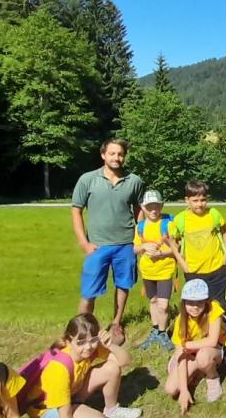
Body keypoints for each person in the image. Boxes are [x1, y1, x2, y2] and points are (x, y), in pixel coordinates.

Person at [70, 138, 143, 345]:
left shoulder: (134, 181)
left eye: (120, 154)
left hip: (126, 244)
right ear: (103, 155)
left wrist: (139, 237)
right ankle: (82, 330)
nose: (116, 158)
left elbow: (139, 211)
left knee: (123, 285)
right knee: (89, 290)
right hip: (97, 246)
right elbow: (76, 211)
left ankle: (116, 323)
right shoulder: (87, 179)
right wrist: (84, 243)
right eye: (112, 154)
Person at [22, 314, 141, 418]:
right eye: (81, 342)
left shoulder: (89, 348)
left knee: (112, 368)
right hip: (47, 409)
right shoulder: (59, 368)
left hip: (71, 394)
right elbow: (65, 415)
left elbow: (125, 361)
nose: (88, 346)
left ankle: (112, 410)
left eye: (93, 340)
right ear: (69, 341)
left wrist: (110, 345)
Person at [164, 279, 226, 414]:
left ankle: (212, 377)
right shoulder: (181, 320)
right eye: (190, 302)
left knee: (203, 356)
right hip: (190, 353)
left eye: (199, 302)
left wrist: (185, 345)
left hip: (213, 350)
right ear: (184, 302)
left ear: (206, 301)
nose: (195, 307)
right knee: (171, 389)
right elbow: (181, 355)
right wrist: (184, 390)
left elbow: (212, 341)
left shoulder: (213, 310)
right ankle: (197, 371)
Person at [134, 189, 183, 350]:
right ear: (143, 208)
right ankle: (155, 329)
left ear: (161, 206)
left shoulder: (167, 224)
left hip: (165, 271)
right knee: (153, 301)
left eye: (156, 206)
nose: (153, 210)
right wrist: (143, 247)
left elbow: (178, 248)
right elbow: (134, 248)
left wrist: (161, 253)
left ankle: (163, 332)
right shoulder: (140, 227)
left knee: (163, 305)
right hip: (147, 271)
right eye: (149, 207)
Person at [172, 180, 226, 309]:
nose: (200, 204)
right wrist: (183, 264)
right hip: (193, 271)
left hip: (217, 268)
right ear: (187, 200)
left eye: (203, 200)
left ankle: (220, 328)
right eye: (195, 200)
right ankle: (201, 329)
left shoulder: (213, 214)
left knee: (219, 304)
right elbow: (173, 242)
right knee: (197, 306)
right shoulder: (180, 219)